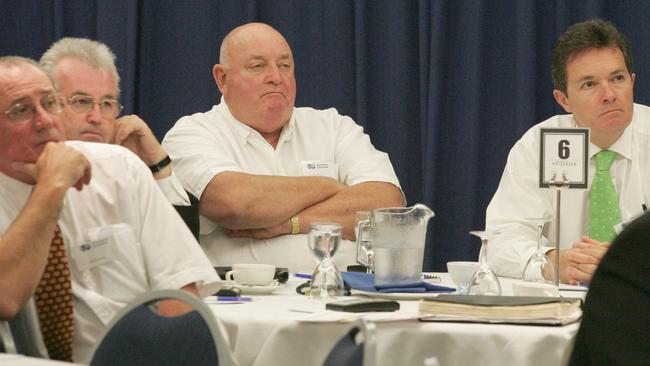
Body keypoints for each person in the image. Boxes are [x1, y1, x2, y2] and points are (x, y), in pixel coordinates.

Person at [0, 57, 220, 363]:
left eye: (50, 103)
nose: (45, 121)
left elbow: (179, 292)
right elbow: (5, 297)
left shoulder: (118, 168)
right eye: (21, 110)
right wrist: (51, 186)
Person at [162, 22, 404, 272]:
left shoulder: (333, 126)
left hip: (345, 295)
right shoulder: (193, 133)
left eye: (284, 66)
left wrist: (292, 222)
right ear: (222, 78)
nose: (276, 78)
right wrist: (329, 186)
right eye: (258, 67)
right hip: (244, 302)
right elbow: (235, 203)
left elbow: (388, 207)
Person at [485, 19, 650, 284]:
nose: (609, 94)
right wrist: (556, 263)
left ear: (632, 82)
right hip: (560, 305)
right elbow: (501, 239)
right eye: (589, 84)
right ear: (563, 100)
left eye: (617, 78)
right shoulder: (538, 146)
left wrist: (632, 263)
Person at [38, 38, 200, 238]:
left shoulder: (126, 170)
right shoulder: (22, 174)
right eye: (81, 101)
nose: (96, 117)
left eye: (107, 104)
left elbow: (182, 252)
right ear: (47, 104)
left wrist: (157, 164)